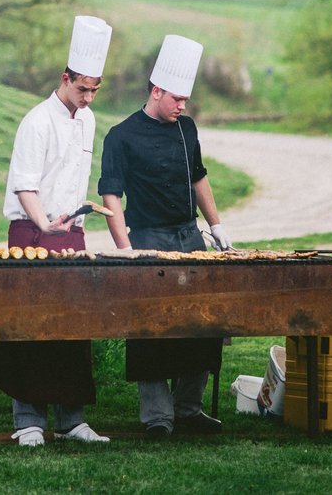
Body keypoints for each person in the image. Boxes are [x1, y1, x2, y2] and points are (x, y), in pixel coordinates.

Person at [0, 15, 113, 447]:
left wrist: (74, 220)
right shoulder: (36, 121)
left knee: (73, 325)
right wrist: (45, 223)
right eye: (82, 88)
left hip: (72, 236)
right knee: (28, 324)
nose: (88, 98)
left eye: (94, 90)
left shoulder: (88, 120)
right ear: (64, 78)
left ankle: (72, 419)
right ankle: (28, 420)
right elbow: (25, 183)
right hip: (31, 233)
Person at [98, 34, 233, 441]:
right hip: (148, 238)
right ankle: (157, 417)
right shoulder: (120, 136)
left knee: (202, 323)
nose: (183, 106)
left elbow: (198, 177)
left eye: (186, 100)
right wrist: (124, 248)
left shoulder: (186, 128)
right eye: (177, 98)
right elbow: (111, 194)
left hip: (190, 235)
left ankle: (189, 409)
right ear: (156, 91)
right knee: (152, 327)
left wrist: (218, 226)